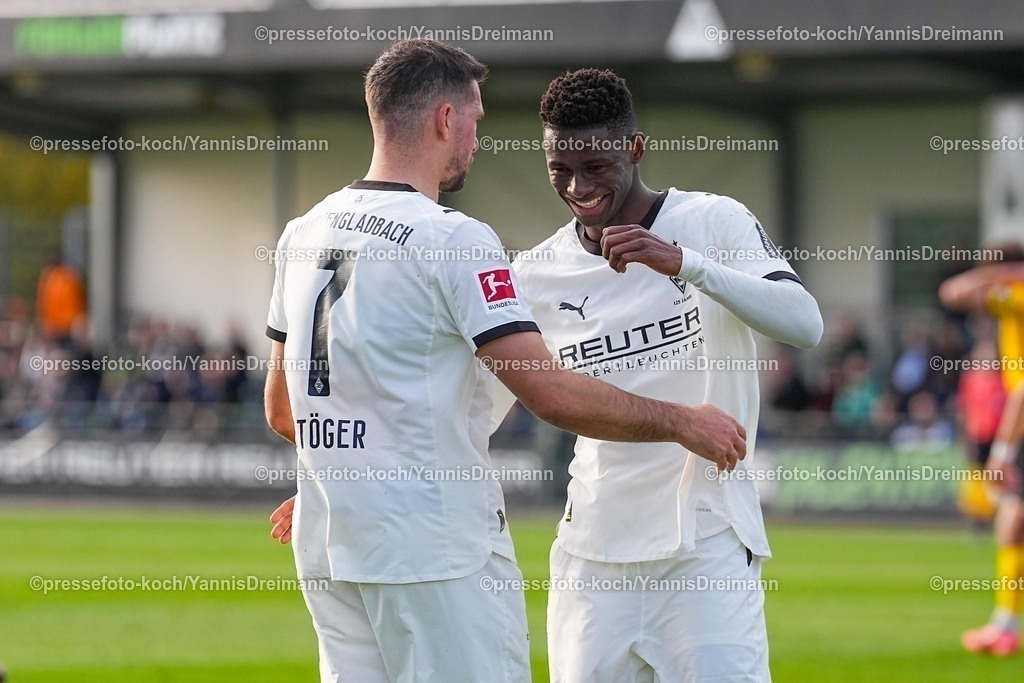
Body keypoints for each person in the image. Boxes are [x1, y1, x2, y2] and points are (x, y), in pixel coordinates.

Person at [264, 43, 746, 683]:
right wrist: (683, 422)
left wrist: (360, 474)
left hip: (330, 542)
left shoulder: (304, 232)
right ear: (444, 120)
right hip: (437, 547)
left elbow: (281, 408)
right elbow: (550, 395)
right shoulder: (454, 237)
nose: (476, 139)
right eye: (476, 121)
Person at [494, 68, 821, 683]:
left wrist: (686, 264)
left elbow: (804, 324)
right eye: (560, 169)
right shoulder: (534, 273)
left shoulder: (712, 221)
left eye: (596, 167)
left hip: (705, 546)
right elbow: (471, 411)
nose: (577, 186)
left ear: (635, 148)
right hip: (591, 557)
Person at [940, 252, 1024, 657]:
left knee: (1012, 521)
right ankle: (1005, 625)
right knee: (1014, 521)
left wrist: (1003, 453)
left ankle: (1005, 625)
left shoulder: (1017, 297)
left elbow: (953, 290)